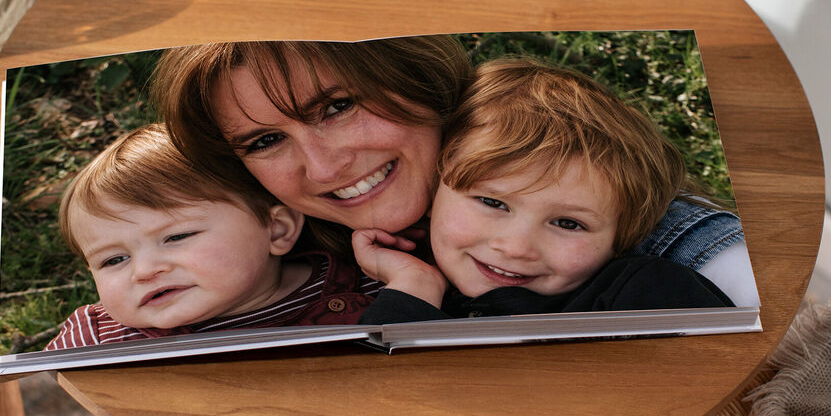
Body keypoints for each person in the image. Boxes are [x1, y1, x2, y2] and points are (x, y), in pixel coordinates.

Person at [151, 35, 754, 303]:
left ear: (416, 80)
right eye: (263, 141)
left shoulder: (665, 244)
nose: (323, 165)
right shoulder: (264, 247)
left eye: (338, 107)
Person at [352, 58, 735, 323]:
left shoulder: (644, 294)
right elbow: (376, 394)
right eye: (492, 202)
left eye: (568, 223)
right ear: (434, 193)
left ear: (621, 239)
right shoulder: (400, 291)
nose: (517, 247)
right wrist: (414, 288)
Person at [45, 124, 382, 351]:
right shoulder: (96, 341)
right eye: (114, 260)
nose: (144, 271)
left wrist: (411, 290)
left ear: (277, 230)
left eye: (176, 236)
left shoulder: (371, 289)